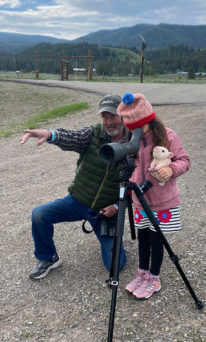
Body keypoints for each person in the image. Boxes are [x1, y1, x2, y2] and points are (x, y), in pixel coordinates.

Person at [20, 94, 128, 280]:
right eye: (104, 116)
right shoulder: (94, 133)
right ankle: (48, 257)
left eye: (113, 116)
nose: (109, 122)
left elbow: (136, 188)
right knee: (40, 214)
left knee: (115, 265)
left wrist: (117, 207)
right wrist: (51, 135)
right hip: (78, 201)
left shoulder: (134, 144)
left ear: (123, 116)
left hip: (106, 211)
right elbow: (73, 137)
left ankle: (111, 242)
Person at [117, 93, 190, 300]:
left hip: (161, 202)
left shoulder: (168, 136)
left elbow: (185, 160)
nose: (136, 132)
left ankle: (154, 278)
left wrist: (172, 169)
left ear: (148, 120)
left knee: (157, 240)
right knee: (143, 238)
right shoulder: (133, 140)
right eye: (131, 128)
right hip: (140, 201)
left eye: (138, 127)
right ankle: (142, 273)